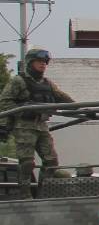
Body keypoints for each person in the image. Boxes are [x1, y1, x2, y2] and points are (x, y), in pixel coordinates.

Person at [0, 48, 74, 199]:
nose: (43, 65)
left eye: (45, 62)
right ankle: (25, 196)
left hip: (41, 125)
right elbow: (5, 102)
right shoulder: (18, 81)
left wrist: (81, 108)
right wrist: (23, 111)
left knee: (51, 161)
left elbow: (63, 98)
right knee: (27, 162)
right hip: (24, 126)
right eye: (39, 62)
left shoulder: (47, 83)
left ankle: (42, 194)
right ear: (30, 63)